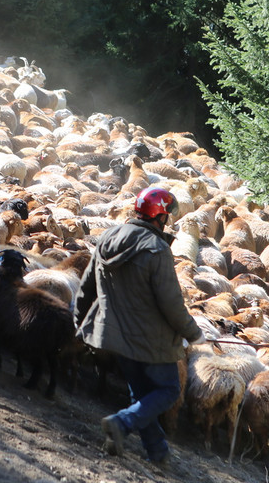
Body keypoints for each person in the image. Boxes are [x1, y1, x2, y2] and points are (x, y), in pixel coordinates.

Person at [74, 186, 205, 465]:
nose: (167, 220)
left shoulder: (109, 237)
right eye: (166, 215)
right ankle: (121, 423)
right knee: (168, 390)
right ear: (160, 217)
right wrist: (194, 333)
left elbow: (87, 285)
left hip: (114, 333)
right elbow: (171, 304)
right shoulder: (157, 250)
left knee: (141, 393)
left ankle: (158, 452)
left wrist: (78, 320)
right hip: (151, 339)